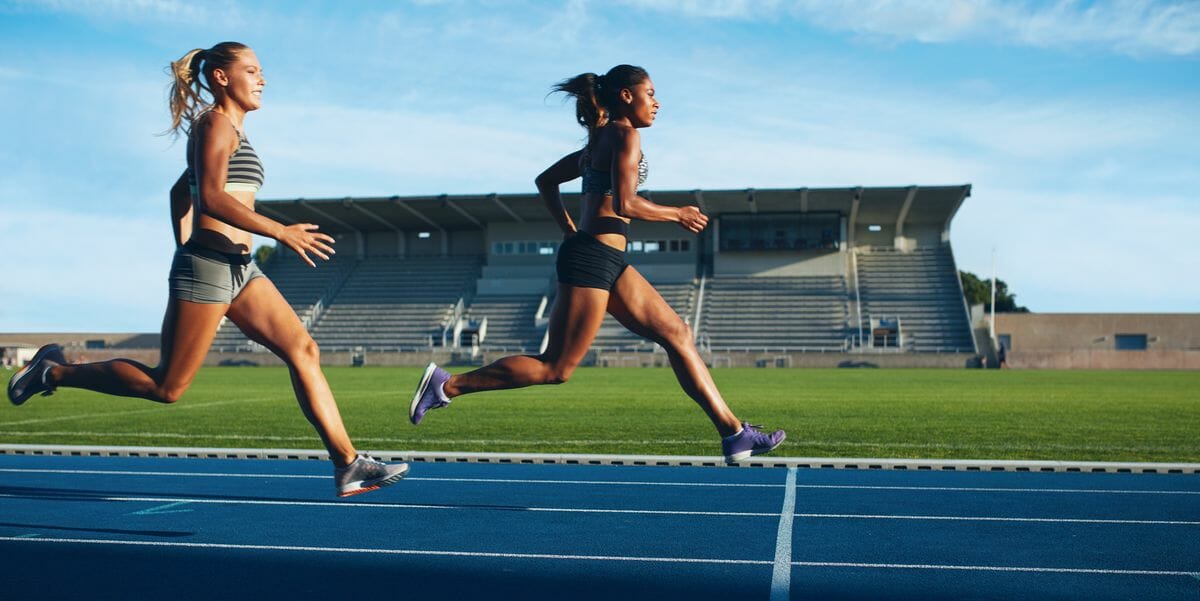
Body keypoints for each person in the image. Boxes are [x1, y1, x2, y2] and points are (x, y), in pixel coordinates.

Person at [6, 42, 407, 497]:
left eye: (262, 72)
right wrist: (274, 234)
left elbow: (182, 192)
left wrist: (189, 243)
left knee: (303, 349)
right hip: (210, 269)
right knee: (167, 387)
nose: (263, 79)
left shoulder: (233, 131)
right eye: (252, 70)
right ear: (221, 77)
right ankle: (53, 372)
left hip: (241, 270)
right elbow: (211, 197)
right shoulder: (215, 123)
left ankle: (348, 464)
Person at [409, 65, 785, 464]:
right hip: (592, 259)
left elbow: (546, 181)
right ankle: (447, 386)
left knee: (677, 333)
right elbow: (625, 203)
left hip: (606, 258)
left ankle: (734, 434)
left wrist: (569, 228)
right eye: (650, 93)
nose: (657, 103)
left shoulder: (599, 140)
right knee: (556, 368)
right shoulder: (624, 135)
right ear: (626, 95)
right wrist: (677, 214)